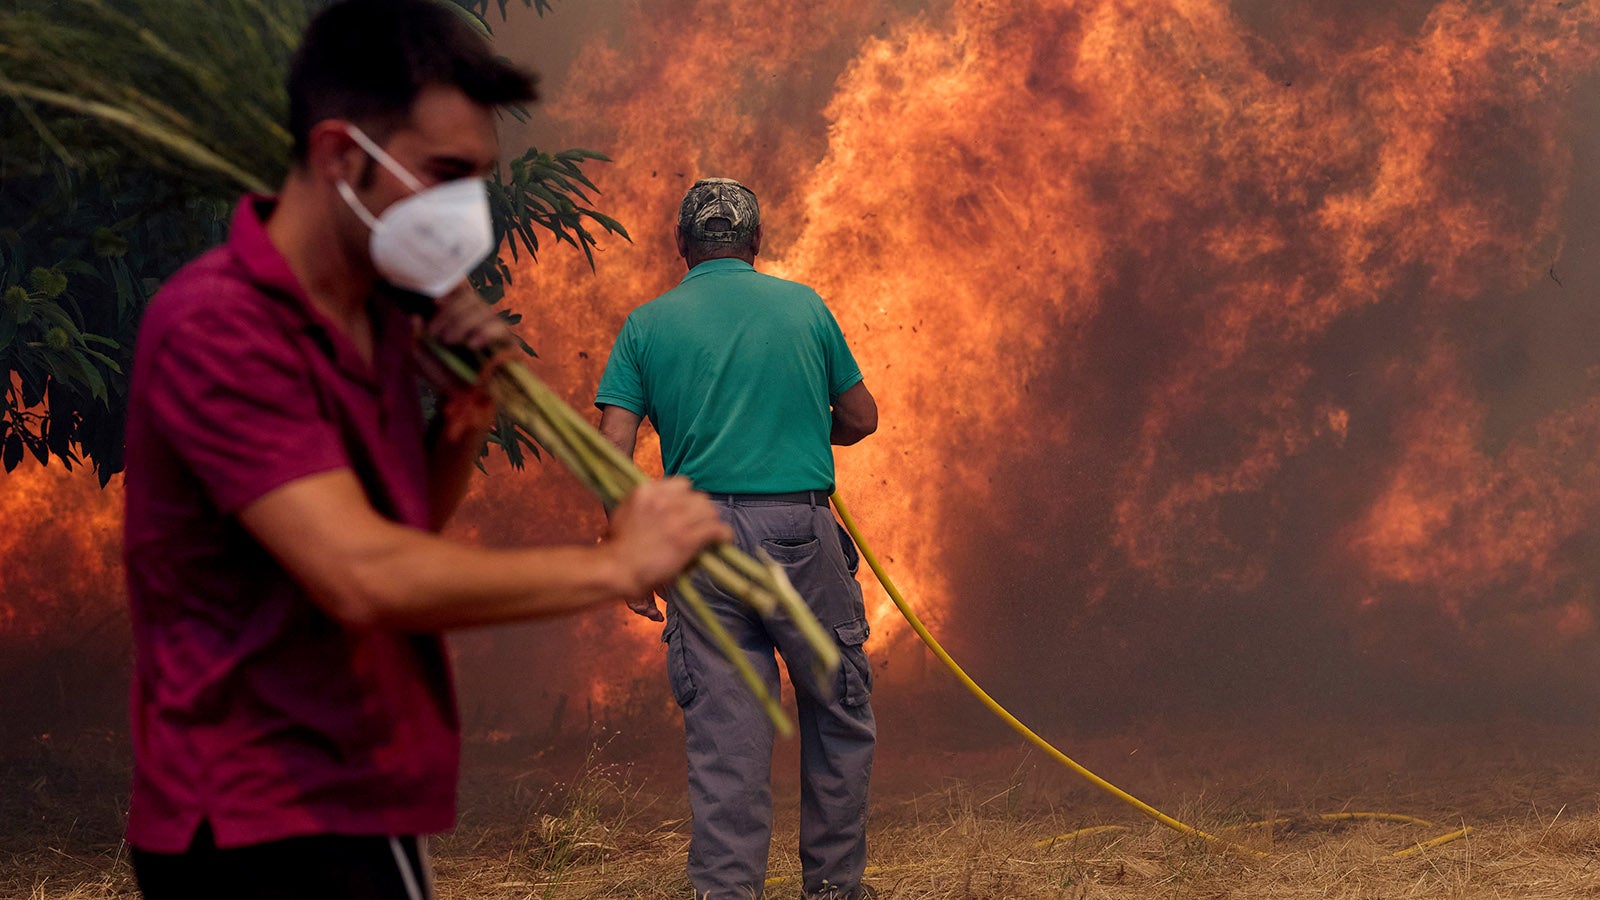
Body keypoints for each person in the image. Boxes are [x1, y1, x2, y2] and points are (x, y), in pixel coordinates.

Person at [119, 2, 731, 897]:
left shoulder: (379, 319)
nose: (465, 211)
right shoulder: (222, 325)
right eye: (444, 174)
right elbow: (362, 574)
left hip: (356, 788)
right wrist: (616, 566)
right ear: (339, 156)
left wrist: (463, 422)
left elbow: (403, 530)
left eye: (478, 178)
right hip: (259, 814)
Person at [596, 178, 880, 900]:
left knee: (728, 736)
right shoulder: (804, 306)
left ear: (682, 247)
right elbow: (861, 416)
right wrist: (810, 425)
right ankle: (836, 890)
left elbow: (610, 448)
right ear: (756, 243)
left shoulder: (646, 323)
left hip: (699, 544)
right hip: (797, 530)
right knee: (837, 708)